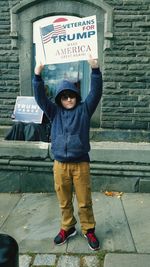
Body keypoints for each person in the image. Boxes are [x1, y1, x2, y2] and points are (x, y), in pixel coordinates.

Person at [33, 57, 103, 251]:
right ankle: (68, 227)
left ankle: (88, 229)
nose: (68, 99)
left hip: (81, 163)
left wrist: (95, 70)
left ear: (76, 96)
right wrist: (37, 75)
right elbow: (40, 98)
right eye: (64, 97)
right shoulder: (53, 112)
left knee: (84, 200)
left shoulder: (84, 110)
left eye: (71, 95)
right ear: (59, 99)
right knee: (64, 200)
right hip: (60, 165)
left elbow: (96, 93)